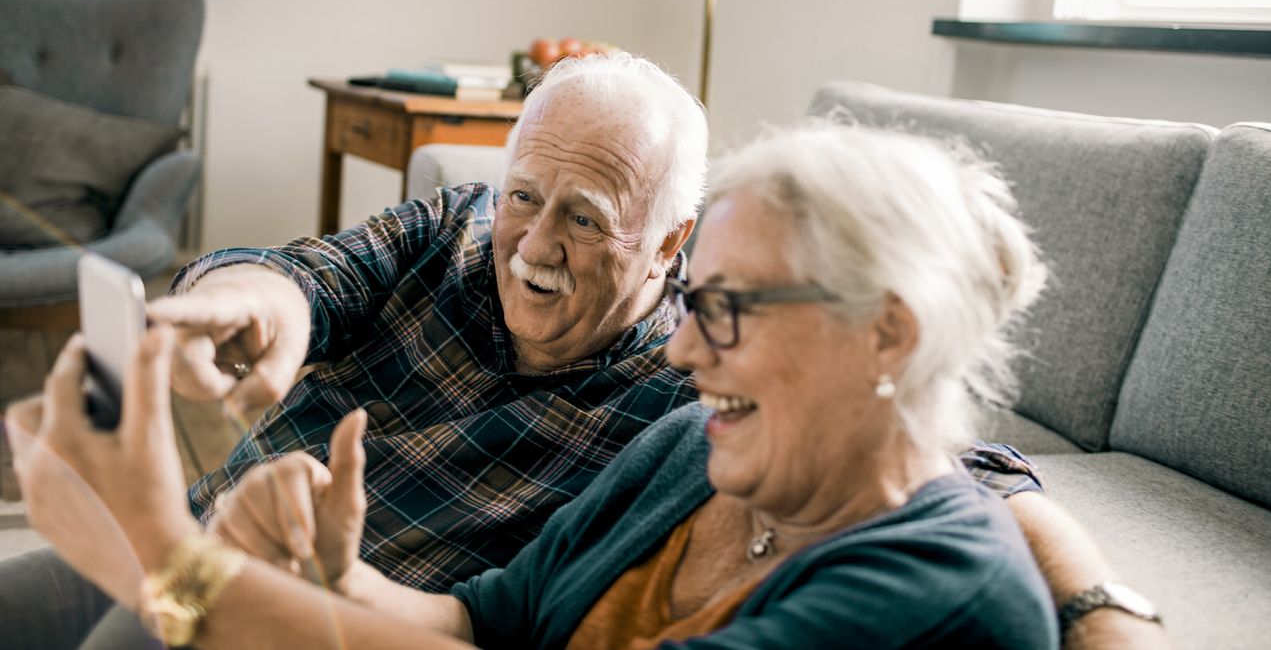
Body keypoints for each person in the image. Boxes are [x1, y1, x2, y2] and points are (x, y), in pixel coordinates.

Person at [8, 122, 1067, 647]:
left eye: (726, 310)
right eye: (691, 308)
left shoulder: (927, 589)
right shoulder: (692, 453)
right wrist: (329, 572)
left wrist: (168, 558)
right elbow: (477, 622)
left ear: (887, 332)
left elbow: (977, 473)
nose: (686, 352)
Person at [0, 52, 708, 645]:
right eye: (524, 196)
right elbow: (308, 277)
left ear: (669, 242)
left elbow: (510, 623)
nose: (533, 244)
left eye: (584, 218)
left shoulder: (679, 407)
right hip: (194, 533)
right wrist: (242, 301)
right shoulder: (458, 227)